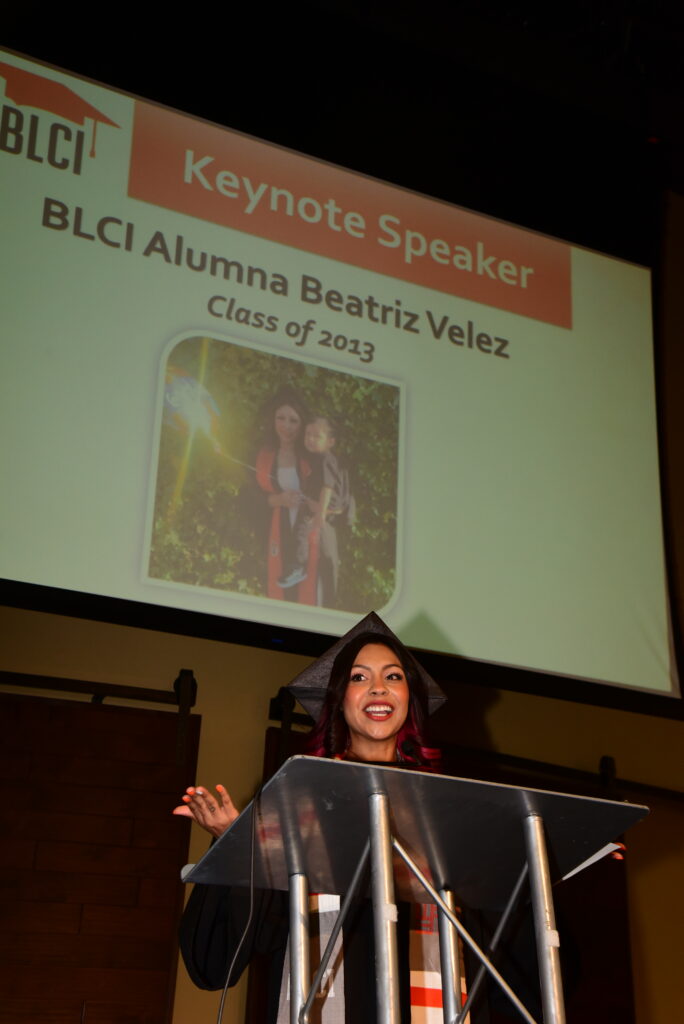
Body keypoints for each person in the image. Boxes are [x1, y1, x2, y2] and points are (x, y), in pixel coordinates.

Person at [173, 612, 445, 1023]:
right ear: (338, 700)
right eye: (358, 678)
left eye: (393, 677)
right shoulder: (299, 800)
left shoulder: (442, 808)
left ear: (410, 698)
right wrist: (239, 845)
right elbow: (222, 958)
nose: (377, 689)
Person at [277, 415, 352, 608]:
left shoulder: (326, 459)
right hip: (323, 507)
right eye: (308, 434)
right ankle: (299, 567)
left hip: (325, 509)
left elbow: (327, 488)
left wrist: (320, 514)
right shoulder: (320, 458)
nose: (310, 438)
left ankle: (298, 567)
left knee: (302, 529)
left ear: (330, 442)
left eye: (316, 436)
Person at [253, 387, 313, 603]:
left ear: (302, 424)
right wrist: (277, 500)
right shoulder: (261, 455)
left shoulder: (311, 456)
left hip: (308, 537)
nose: (286, 426)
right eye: (281, 418)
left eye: (293, 420)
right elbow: (246, 499)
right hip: (275, 534)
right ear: (273, 419)